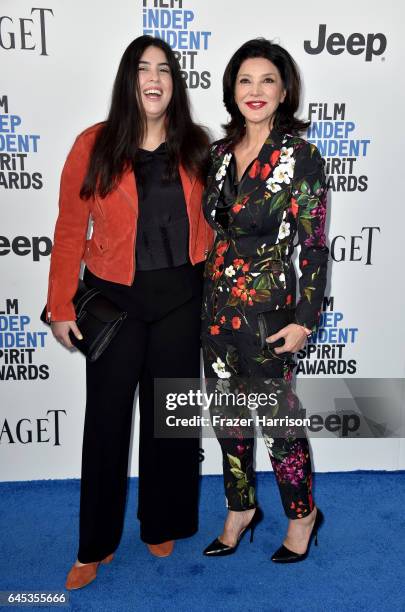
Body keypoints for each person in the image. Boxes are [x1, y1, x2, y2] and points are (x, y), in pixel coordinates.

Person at [46, 35, 213, 589]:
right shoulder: (92, 145)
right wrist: (60, 305)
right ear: (128, 79)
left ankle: (160, 521)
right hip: (114, 301)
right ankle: (94, 544)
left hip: (180, 298)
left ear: (174, 81)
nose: (155, 78)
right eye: (143, 69)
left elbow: (213, 227)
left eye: (164, 69)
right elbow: (71, 230)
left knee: (171, 420)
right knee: (107, 423)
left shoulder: (196, 145)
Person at [201, 38, 328, 562]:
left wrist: (305, 319)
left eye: (267, 81)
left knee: (279, 423)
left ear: (283, 91)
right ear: (233, 89)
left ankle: (302, 516)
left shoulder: (301, 156)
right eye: (245, 80)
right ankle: (241, 509)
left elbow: (315, 244)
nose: (255, 91)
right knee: (228, 417)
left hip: (269, 317)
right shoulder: (216, 155)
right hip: (214, 314)